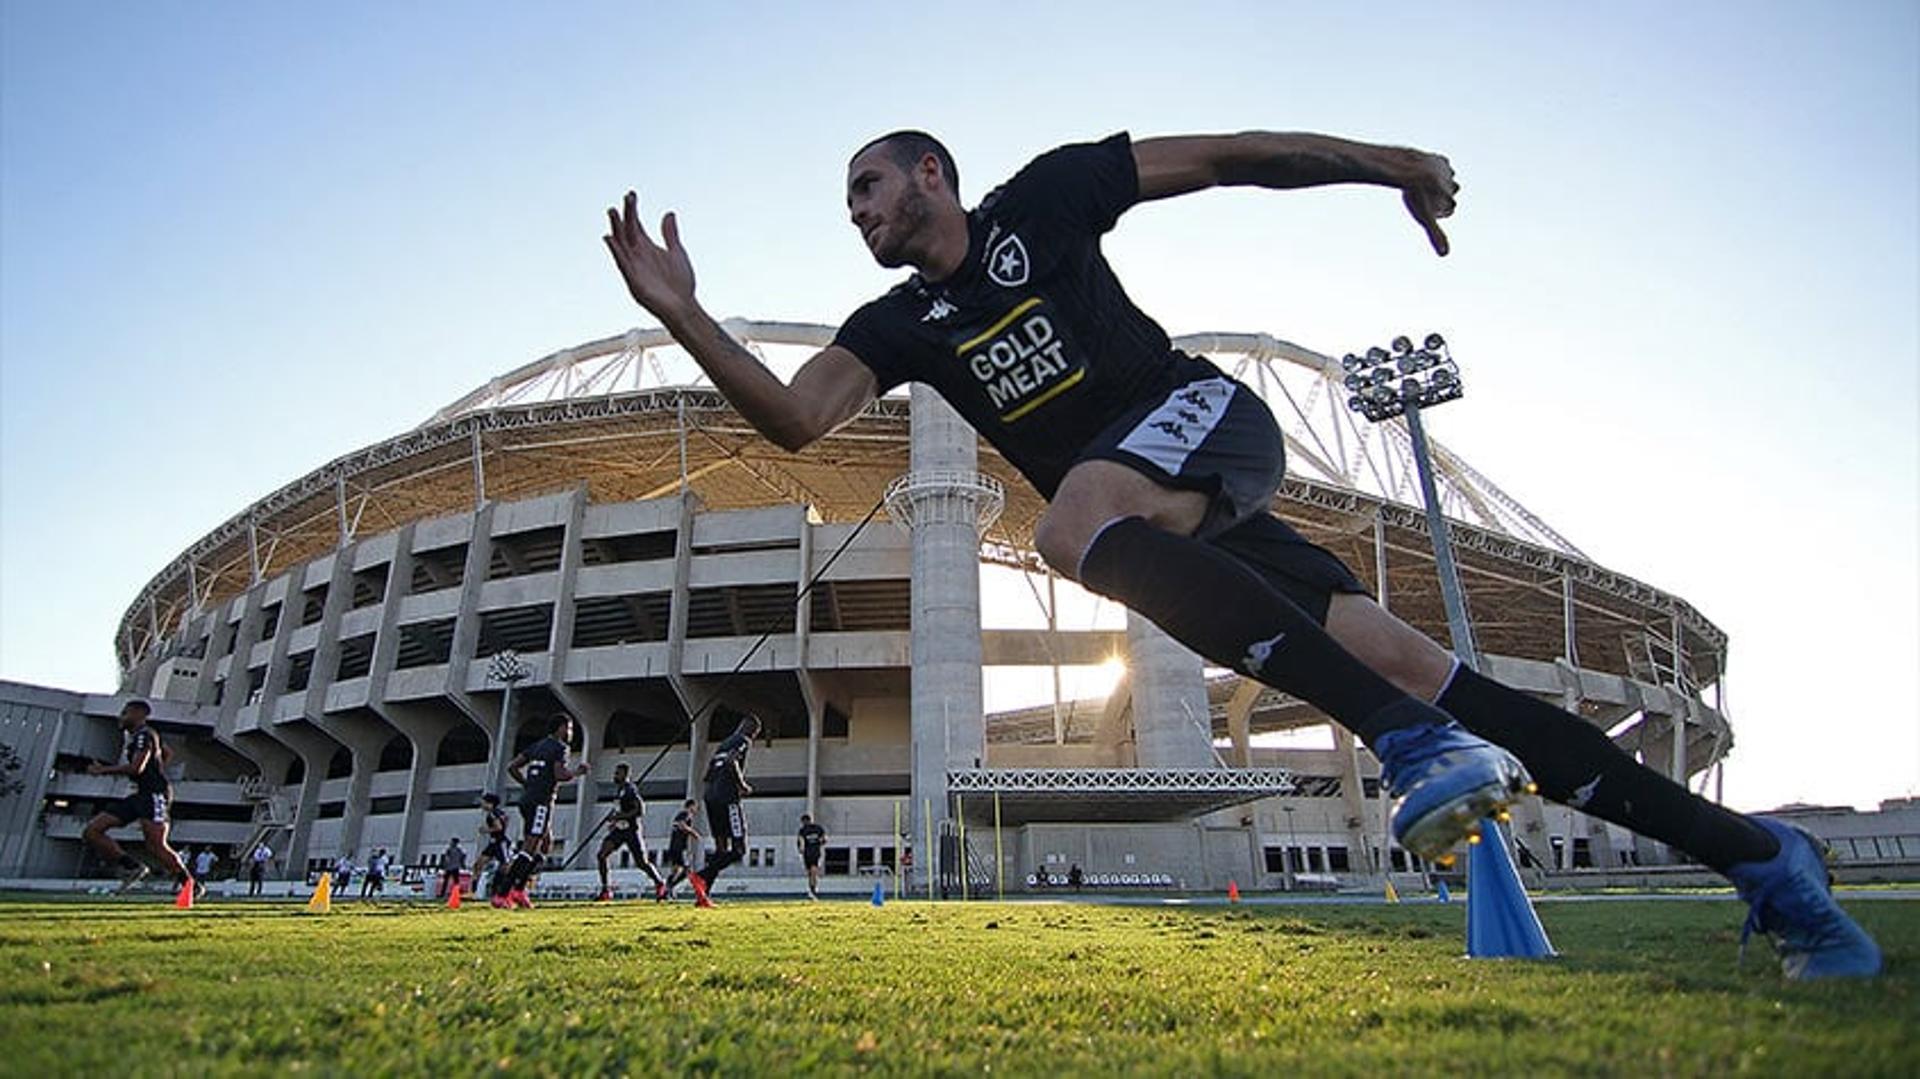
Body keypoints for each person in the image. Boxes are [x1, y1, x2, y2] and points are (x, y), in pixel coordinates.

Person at [602, 128, 1881, 980]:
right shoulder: (899, 321)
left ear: (931, 174)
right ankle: (1763, 859)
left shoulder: (1045, 200)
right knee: (1426, 670)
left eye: (868, 191)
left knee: (1068, 520)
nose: (858, 218)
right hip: (1176, 511)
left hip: (1212, 427)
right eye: (849, 208)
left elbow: (1226, 157)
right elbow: (793, 416)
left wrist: (1384, 163)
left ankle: (1411, 740)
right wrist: (685, 314)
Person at [80, 700, 193, 895]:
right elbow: (167, 753)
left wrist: (102, 770)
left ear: (138, 715)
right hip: (141, 793)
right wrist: (155, 769)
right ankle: (133, 867)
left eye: (125, 713)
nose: (121, 718)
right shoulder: (143, 736)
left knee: (156, 845)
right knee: (92, 831)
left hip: (155, 794)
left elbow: (136, 768)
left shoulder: (143, 735)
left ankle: (190, 884)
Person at [497, 714, 592, 909]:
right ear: (560, 728)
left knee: (546, 843)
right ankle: (503, 893)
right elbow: (559, 774)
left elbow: (512, 767)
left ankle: (520, 889)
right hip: (542, 802)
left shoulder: (537, 746)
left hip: (527, 800)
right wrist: (577, 772)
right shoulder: (560, 748)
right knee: (530, 846)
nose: (571, 733)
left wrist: (527, 784)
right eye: (569, 728)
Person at [687, 715, 759, 907]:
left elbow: (708, 776)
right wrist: (742, 785)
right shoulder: (743, 741)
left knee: (721, 850)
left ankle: (703, 896)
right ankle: (700, 876)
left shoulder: (724, 743)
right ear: (753, 731)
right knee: (738, 850)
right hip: (728, 799)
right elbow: (730, 762)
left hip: (711, 797)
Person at [595, 761, 668, 902]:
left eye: (617, 773)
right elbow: (621, 809)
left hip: (631, 831)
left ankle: (660, 883)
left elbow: (640, 810)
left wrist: (618, 817)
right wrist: (615, 822)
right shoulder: (619, 790)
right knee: (602, 855)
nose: (614, 776)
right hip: (619, 830)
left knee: (642, 863)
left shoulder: (630, 789)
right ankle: (606, 890)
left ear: (625, 774)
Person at [474, 793, 512, 899]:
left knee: (505, 866)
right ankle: (475, 890)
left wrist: (485, 830)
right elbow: (506, 820)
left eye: (484, 802)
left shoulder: (492, 814)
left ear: (490, 804)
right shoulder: (500, 813)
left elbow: (498, 827)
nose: (482, 804)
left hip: (500, 842)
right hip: (494, 842)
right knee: (479, 864)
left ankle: (504, 889)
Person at [661, 799, 700, 900]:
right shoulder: (686, 814)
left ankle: (665, 892)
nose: (696, 810)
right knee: (687, 870)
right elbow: (682, 825)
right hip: (680, 847)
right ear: (691, 806)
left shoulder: (679, 815)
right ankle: (670, 887)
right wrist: (693, 833)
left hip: (673, 846)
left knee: (675, 871)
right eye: (695, 807)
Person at [796, 813, 827, 899]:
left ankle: (812, 890)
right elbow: (824, 839)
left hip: (809, 853)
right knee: (813, 872)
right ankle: (813, 889)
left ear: (803, 821)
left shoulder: (802, 830)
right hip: (815, 852)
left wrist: (801, 849)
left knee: (812, 871)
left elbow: (801, 841)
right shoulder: (818, 828)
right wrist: (819, 842)